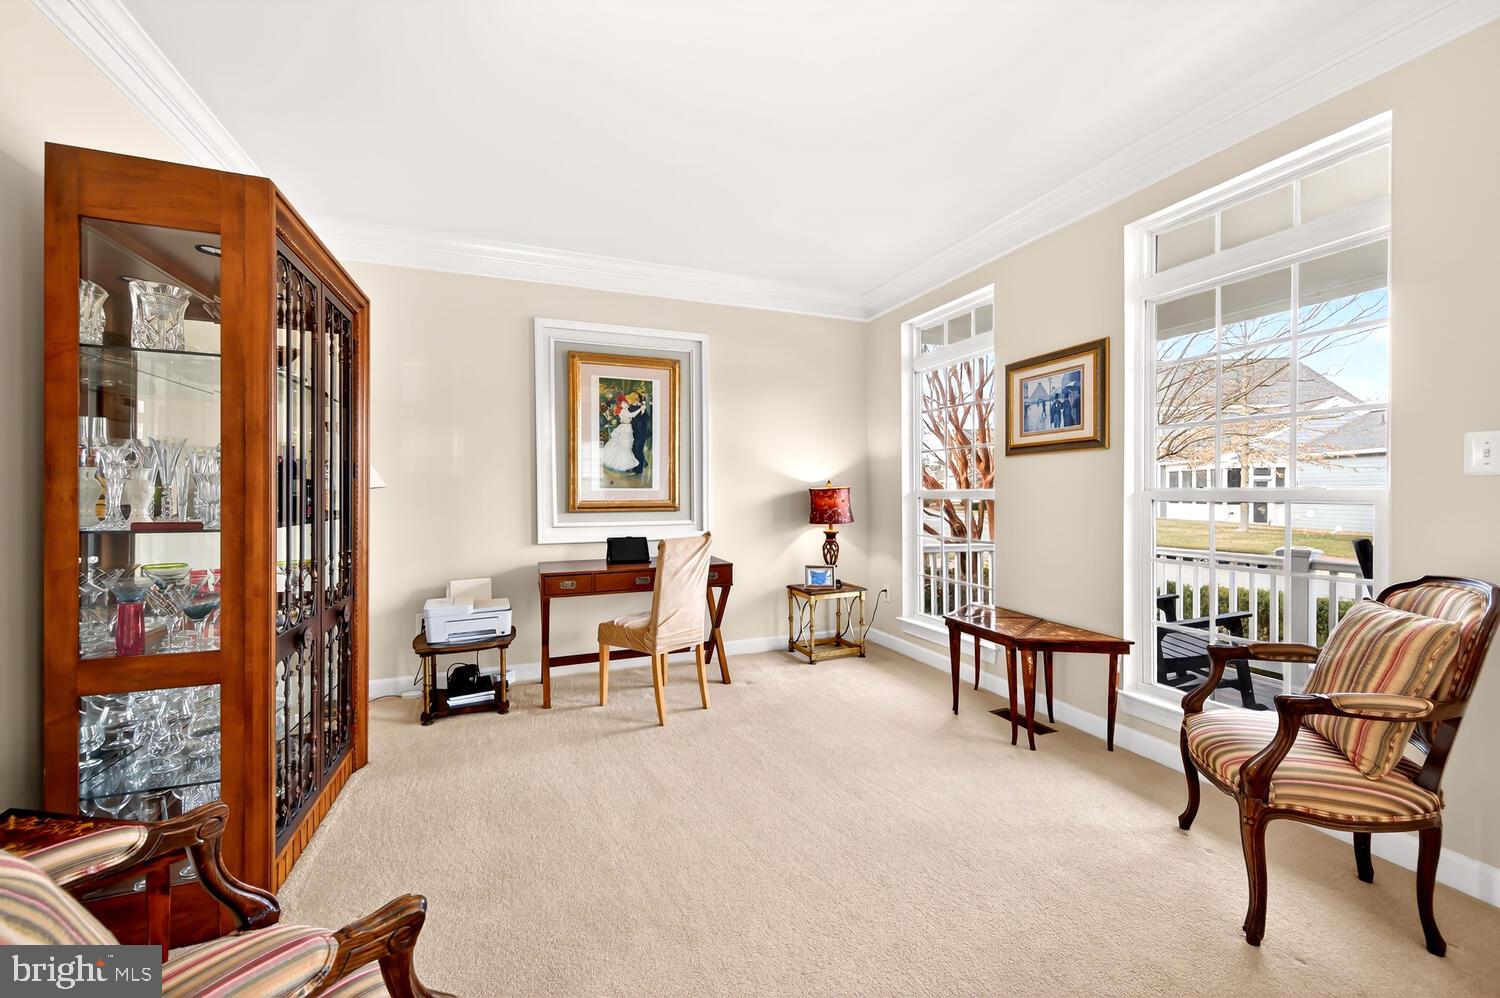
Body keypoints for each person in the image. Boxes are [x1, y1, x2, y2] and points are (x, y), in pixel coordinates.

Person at [601, 392, 647, 474]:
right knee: (626, 446)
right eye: (624, 403)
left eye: (626, 402)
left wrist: (640, 408)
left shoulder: (625, 410)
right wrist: (640, 409)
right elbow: (632, 415)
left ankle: (629, 464)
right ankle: (625, 464)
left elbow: (632, 415)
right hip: (625, 429)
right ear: (621, 405)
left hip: (627, 428)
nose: (626, 403)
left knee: (627, 446)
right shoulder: (623, 411)